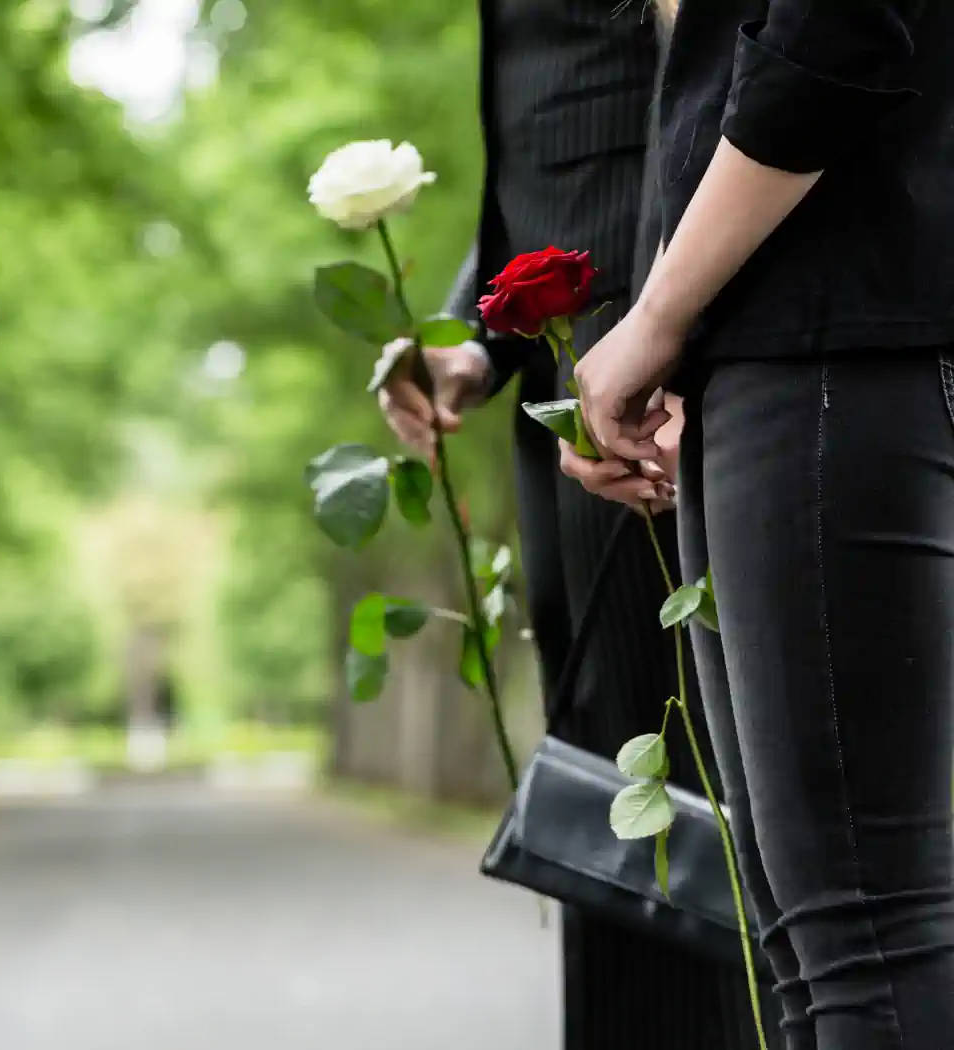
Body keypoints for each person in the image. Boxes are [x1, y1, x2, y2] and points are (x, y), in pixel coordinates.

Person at [381, 2, 777, 1048]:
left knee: (696, 807)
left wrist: (689, 344)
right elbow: (559, 141)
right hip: (572, 387)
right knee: (619, 809)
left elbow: (720, 92)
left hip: (664, 388)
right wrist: (480, 336)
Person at [559, 2, 954, 1048]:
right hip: (778, 352)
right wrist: (671, 342)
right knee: (803, 950)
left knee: (860, 943)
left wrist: (657, 320)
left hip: (834, 342)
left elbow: (838, 26)